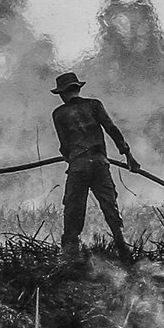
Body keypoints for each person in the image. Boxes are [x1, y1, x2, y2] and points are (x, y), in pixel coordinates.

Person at [49, 71, 138, 261]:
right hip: (99, 163)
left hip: (78, 167)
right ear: (77, 89)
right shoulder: (94, 105)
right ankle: (123, 248)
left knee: (73, 207)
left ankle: (70, 255)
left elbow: (64, 145)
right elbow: (112, 129)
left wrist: (69, 157)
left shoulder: (59, 114)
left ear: (62, 94)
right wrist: (128, 155)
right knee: (109, 204)